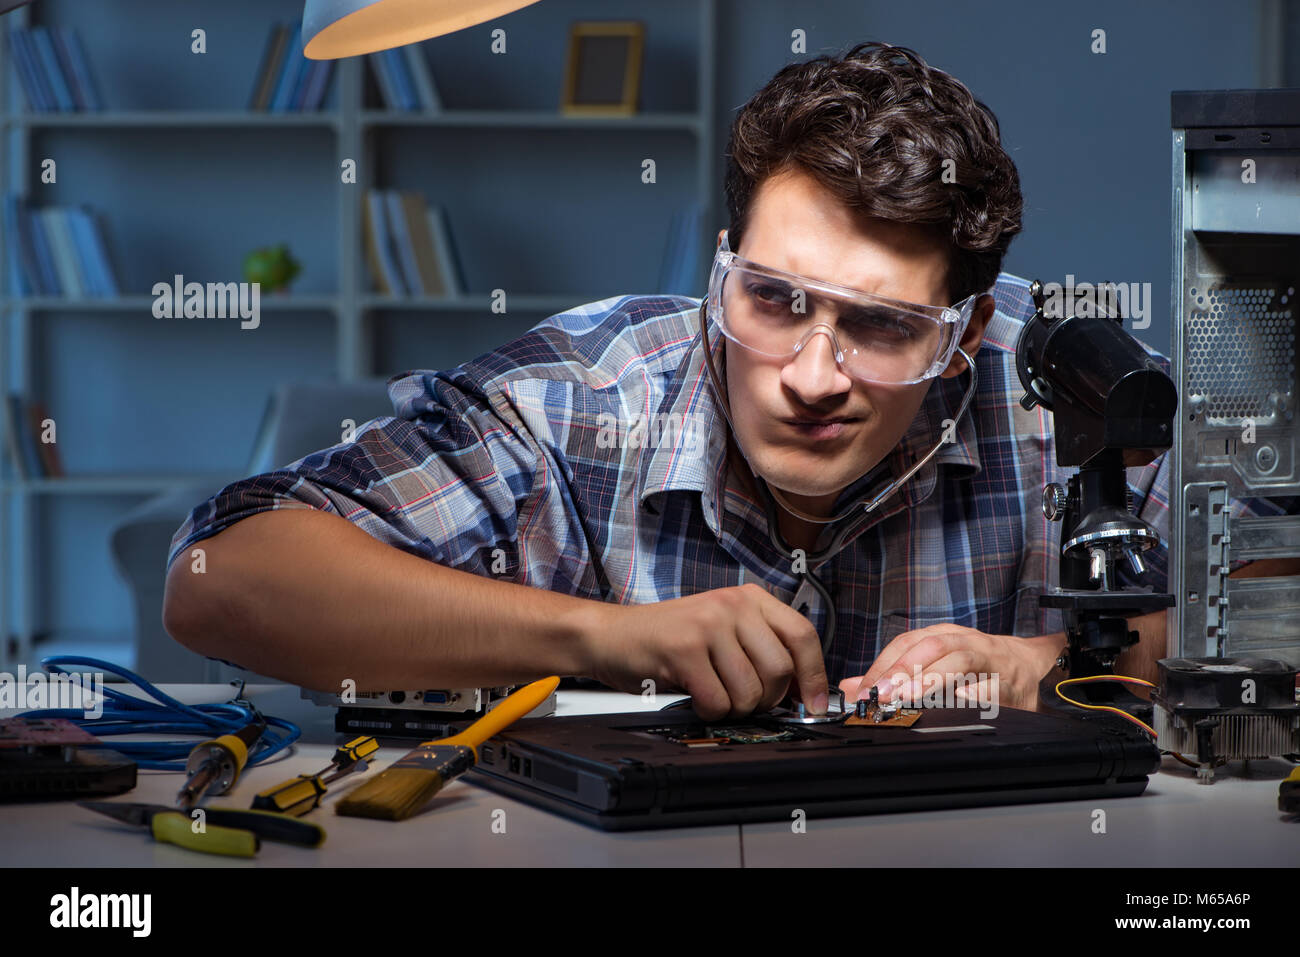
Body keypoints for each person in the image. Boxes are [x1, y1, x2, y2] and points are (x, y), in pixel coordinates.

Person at [161, 41, 1287, 723]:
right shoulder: (582, 395)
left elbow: (1275, 611)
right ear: (718, 270)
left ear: (965, 329)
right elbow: (217, 581)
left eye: (882, 326)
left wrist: (1045, 665)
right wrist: (604, 639)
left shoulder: (1063, 391)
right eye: (775, 299)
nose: (810, 375)